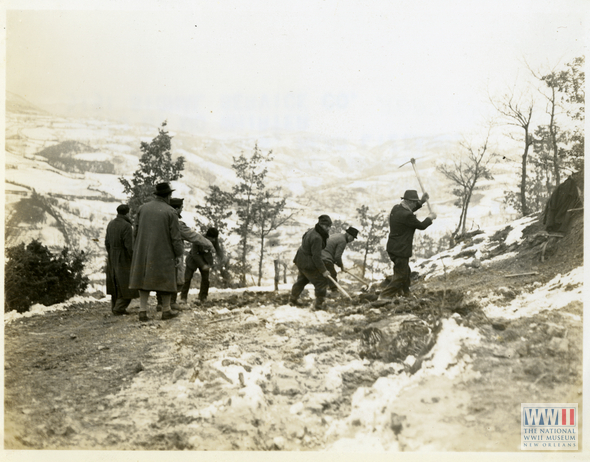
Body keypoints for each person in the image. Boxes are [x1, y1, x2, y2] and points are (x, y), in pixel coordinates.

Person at [129, 182, 184, 321]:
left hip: (143, 250)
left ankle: (142, 311)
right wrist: (178, 254)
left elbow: (135, 231)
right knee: (166, 279)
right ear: (168, 195)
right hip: (164, 251)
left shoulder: (142, 208)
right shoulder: (170, 211)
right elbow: (176, 237)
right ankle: (166, 310)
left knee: (143, 279)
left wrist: (137, 248)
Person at [157, 198, 218, 310]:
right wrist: (208, 244)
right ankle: (172, 302)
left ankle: (161, 303)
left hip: (161, 253)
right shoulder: (177, 224)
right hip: (176, 256)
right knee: (178, 278)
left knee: (164, 277)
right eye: (181, 208)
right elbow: (192, 237)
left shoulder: (160, 222)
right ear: (176, 209)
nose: (182, 210)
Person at [380, 190, 436, 299]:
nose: (416, 204)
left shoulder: (396, 208)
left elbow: (410, 210)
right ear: (409, 202)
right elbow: (421, 225)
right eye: (415, 202)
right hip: (401, 249)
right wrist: (430, 218)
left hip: (393, 247)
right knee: (401, 276)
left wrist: (422, 201)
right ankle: (384, 296)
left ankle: (406, 293)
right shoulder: (407, 216)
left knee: (405, 272)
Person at [289, 214, 333, 311]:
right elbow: (316, 257)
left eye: (330, 226)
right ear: (321, 225)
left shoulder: (311, 231)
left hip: (300, 259)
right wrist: (324, 271)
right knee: (321, 282)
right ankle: (319, 305)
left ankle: (292, 300)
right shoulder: (317, 237)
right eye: (327, 226)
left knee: (302, 280)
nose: (329, 228)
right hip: (307, 262)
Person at [105, 204, 138, 315]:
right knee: (128, 283)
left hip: (112, 256)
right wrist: (134, 259)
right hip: (123, 257)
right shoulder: (127, 226)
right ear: (127, 213)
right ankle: (119, 308)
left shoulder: (111, 224)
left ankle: (115, 306)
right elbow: (130, 246)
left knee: (115, 282)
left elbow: (107, 243)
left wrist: (111, 254)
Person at [180, 227, 225, 305]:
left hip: (206, 259)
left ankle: (202, 297)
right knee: (187, 279)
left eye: (215, 239)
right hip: (193, 259)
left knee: (205, 280)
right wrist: (202, 265)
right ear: (207, 237)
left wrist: (222, 257)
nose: (214, 240)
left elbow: (217, 248)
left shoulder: (214, 239)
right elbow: (194, 254)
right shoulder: (198, 239)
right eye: (212, 239)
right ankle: (183, 298)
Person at [322, 226, 359, 293]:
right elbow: (337, 257)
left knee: (324, 275)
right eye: (353, 237)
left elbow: (334, 256)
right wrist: (341, 266)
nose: (352, 240)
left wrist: (341, 266)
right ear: (348, 234)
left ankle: (325, 292)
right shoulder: (343, 241)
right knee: (332, 274)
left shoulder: (338, 235)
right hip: (325, 257)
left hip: (320, 255)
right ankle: (334, 292)